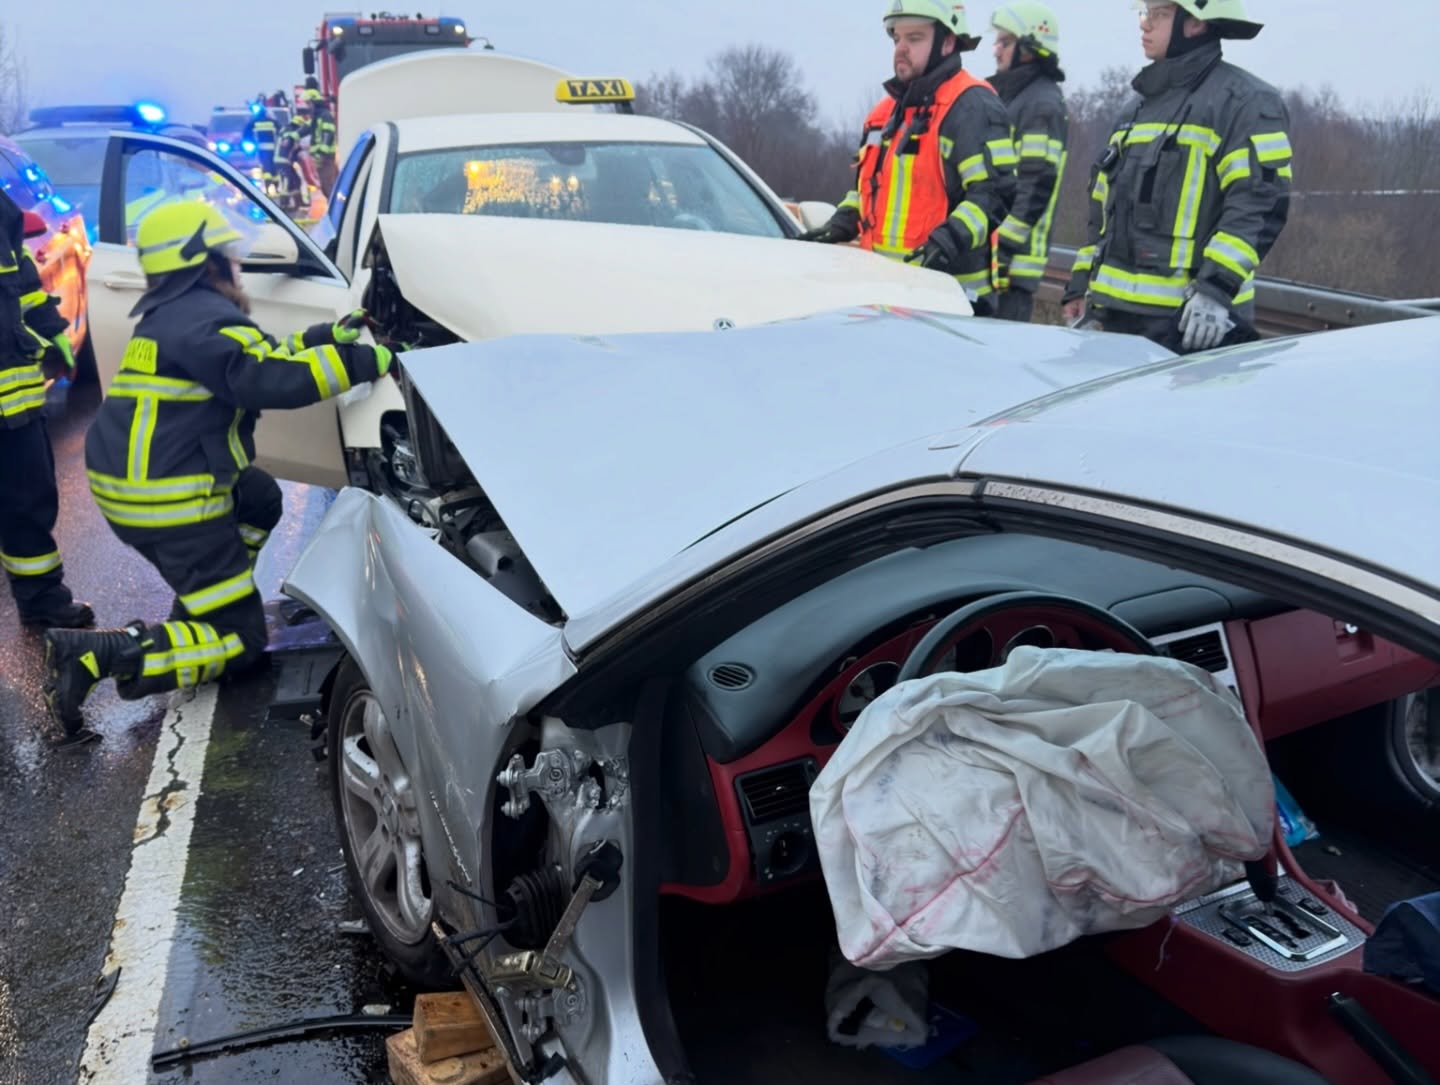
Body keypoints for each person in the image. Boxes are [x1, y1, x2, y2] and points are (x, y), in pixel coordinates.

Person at [41, 202, 393, 746]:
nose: (234, 263)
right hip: (169, 498)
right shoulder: (203, 318)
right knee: (242, 643)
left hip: (144, 484)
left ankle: (208, 600)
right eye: (225, 254)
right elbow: (263, 377)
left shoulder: (180, 315)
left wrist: (328, 336)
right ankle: (99, 657)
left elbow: (258, 355)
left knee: (259, 497)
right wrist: (368, 362)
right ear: (201, 262)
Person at [1062, 0, 1293, 353]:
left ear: (1195, 22)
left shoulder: (1247, 103)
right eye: (1146, 13)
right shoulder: (1134, 110)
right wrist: (1080, 287)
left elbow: (1258, 206)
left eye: (1160, 14)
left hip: (1193, 326)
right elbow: (1101, 211)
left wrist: (1215, 291)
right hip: (1114, 321)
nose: (1145, 24)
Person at [800, 0, 1017, 315]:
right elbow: (868, 190)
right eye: (897, 38)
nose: (901, 49)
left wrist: (947, 241)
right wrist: (844, 220)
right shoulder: (883, 114)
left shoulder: (973, 107)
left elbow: (994, 192)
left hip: (952, 300)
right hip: (886, 294)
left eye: (914, 38)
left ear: (947, 42)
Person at [0, 188, 94, 633]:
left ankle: (42, 600)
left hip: (14, 399)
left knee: (30, 500)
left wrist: (50, 327)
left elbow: (21, 281)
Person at [987, 3, 1069, 323]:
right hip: (995, 262)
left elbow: (1035, 186)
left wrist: (1002, 247)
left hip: (1010, 267)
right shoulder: (1013, 97)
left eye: (1005, 42)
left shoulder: (1040, 104)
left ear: (1030, 48)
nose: (996, 50)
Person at [303, 88, 339, 196]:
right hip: (322, 157)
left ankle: (335, 206)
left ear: (314, 102)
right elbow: (305, 129)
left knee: (328, 185)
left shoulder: (324, 116)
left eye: (308, 103)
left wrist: (322, 153)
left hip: (325, 157)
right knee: (330, 184)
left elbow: (328, 134)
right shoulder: (317, 117)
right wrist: (292, 136)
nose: (308, 106)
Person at [242, 97, 279, 197]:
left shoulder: (254, 122)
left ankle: (267, 190)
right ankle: (276, 189)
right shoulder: (273, 122)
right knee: (274, 169)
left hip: (262, 149)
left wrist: (250, 144)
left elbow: (246, 134)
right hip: (274, 149)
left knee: (266, 169)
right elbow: (281, 132)